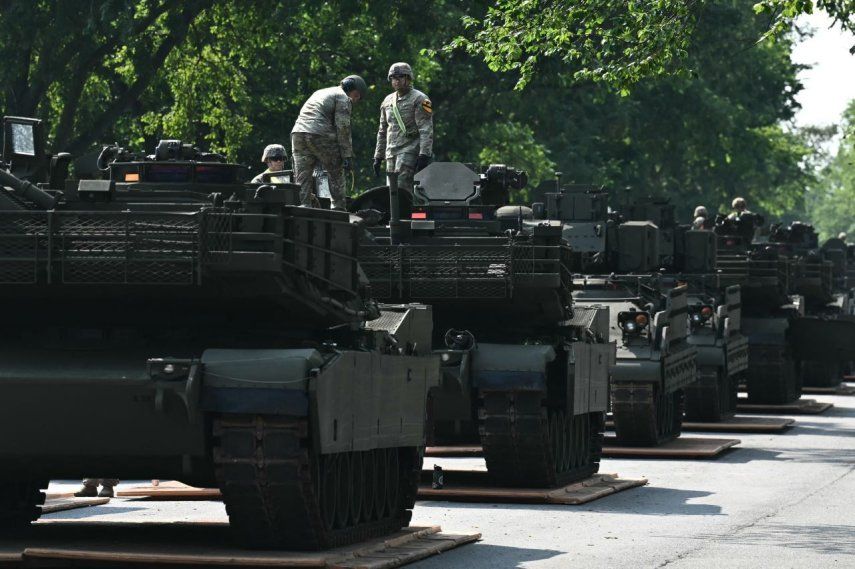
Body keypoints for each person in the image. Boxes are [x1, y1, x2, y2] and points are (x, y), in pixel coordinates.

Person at [291, 75, 367, 210]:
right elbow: (343, 128)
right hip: (320, 134)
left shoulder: (320, 92)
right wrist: (347, 156)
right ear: (356, 92)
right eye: (357, 98)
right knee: (336, 170)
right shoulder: (343, 98)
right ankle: (338, 208)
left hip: (298, 133)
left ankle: (304, 206)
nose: (355, 101)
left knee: (302, 175)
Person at [373, 62, 434, 192]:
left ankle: (404, 213)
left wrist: (424, 154)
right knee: (391, 192)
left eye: (400, 77)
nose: (396, 81)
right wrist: (378, 156)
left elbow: (426, 129)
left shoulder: (421, 99)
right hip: (391, 152)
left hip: (409, 150)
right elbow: (382, 130)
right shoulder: (387, 101)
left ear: (408, 78)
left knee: (402, 189)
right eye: (393, 78)